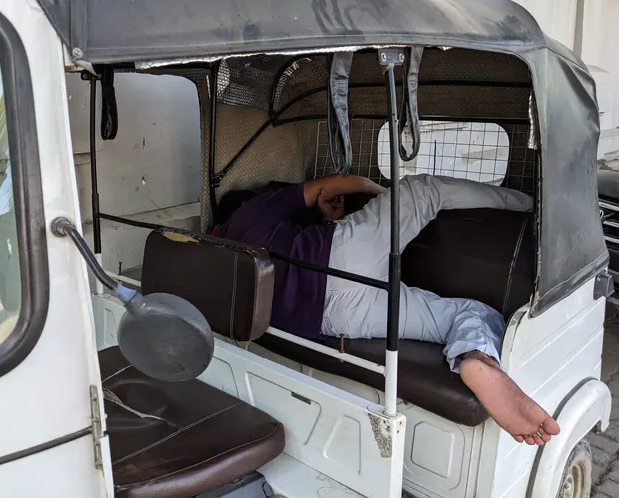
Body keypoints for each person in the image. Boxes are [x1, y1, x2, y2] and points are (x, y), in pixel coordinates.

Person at [217, 173, 560, 446]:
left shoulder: (216, 262)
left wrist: (325, 220)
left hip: (335, 318)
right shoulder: (251, 209)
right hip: (337, 257)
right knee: (424, 190)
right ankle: (532, 206)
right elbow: (335, 182)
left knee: (457, 314)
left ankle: (478, 359)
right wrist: (379, 192)